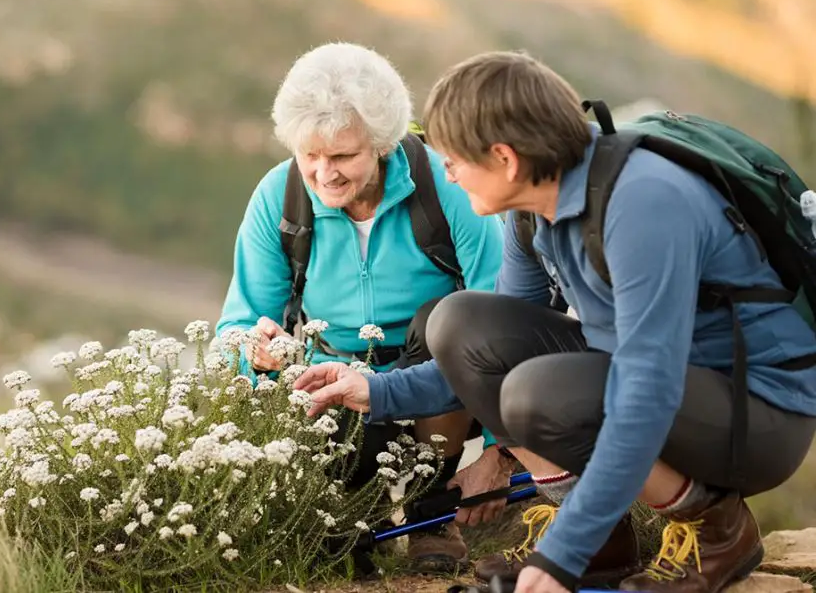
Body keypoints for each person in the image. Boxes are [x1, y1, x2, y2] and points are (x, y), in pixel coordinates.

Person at [293, 50, 816, 593]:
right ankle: (604, 546)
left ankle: (717, 533)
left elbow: (645, 394)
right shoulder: (530, 211)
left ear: (505, 158)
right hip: (659, 387)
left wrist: (560, 557)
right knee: (461, 323)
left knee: (540, 391)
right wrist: (376, 391)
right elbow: (486, 354)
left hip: (756, 414)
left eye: (451, 159)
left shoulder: (643, 205)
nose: (443, 171)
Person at [214, 42, 510, 573]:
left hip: (443, 384)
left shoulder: (450, 187)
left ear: (382, 144)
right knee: (337, 557)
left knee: (445, 320)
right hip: (334, 384)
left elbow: (506, 321)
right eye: (310, 155)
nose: (324, 173)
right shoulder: (276, 199)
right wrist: (255, 353)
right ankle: (353, 510)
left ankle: (432, 510)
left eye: (343, 156)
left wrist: (499, 451)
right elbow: (238, 321)